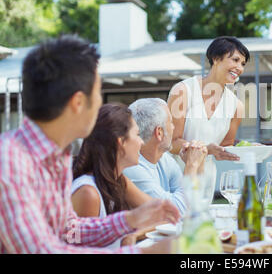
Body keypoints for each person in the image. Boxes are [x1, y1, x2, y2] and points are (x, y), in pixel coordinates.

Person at [0, 35, 180, 254]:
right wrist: (144, 252)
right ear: (77, 102)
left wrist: (131, 219)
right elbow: (43, 250)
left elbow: (70, 231)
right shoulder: (10, 162)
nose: (99, 102)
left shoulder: (56, 157)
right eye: (97, 93)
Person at [167, 36, 249, 203]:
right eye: (235, 60)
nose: (239, 68)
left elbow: (226, 146)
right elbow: (171, 142)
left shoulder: (236, 106)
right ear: (216, 58)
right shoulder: (183, 91)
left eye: (243, 64)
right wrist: (207, 149)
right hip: (176, 176)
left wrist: (255, 148)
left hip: (206, 178)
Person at [71, 103, 155, 247]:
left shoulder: (118, 181)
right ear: (121, 142)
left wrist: (133, 234)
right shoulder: (88, 193)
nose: (141, 142)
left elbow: (160, 214)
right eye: (137, 134)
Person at [124, 98, 208, 216]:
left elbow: (194, 202)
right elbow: (177, 210)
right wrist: (191, 166)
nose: (173, 128)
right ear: (159, 132)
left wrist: (199, 164)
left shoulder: (164, 159)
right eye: (171, 122)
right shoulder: (131, 167)